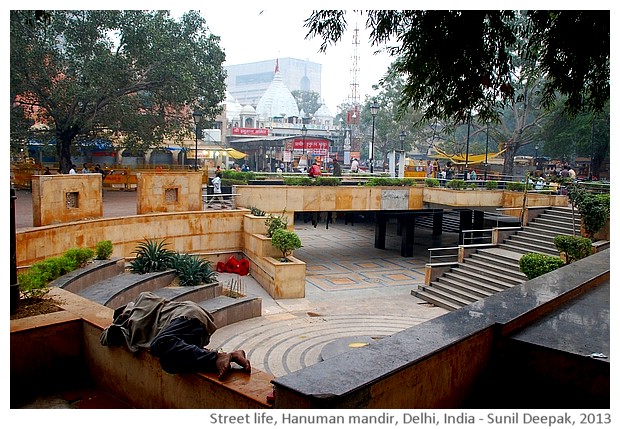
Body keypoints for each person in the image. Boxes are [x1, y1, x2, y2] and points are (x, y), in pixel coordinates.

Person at [100, 291, 251, 378]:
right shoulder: (130, 322)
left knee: (158, 345)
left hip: (187, 316)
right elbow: (108, 337)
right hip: (187, 330)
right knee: (168, 363)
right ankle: (230, 355)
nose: (123, 317)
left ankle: (217, 358)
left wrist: (123, 322)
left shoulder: (143, 300)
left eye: (123, 313)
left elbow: (137, 331)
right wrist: (119, 326)